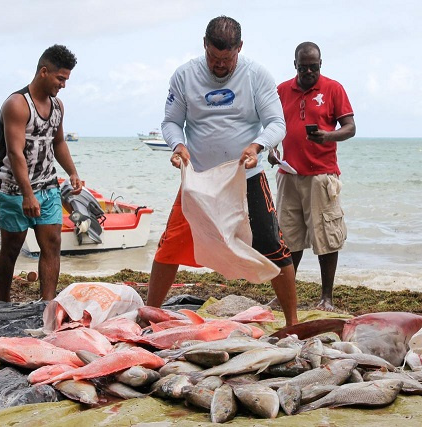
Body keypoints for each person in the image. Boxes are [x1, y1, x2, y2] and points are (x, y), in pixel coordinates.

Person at [146, 16, 298, 327]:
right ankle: (149, 316)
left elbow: (276, 124)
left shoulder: (256, 75)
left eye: (226, 59)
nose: (219, 66)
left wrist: (257, 146)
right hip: (199, 179)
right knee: (170, 245)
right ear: (204, 45)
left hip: (245, 176)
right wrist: (178, 145)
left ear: (239, 49)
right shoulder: (185, 75)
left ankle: (293, 324)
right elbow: (171, 122)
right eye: (213, 58)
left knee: (274, 246)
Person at [269, 41, 356, 311]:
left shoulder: (333, 88)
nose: (308, 72)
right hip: (288, 173)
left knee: (326, 237)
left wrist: (327, 136)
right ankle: (285, 295)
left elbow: (350, 127)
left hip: (322, 175)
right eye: (303, 67)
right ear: (295, 65)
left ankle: (326, 298)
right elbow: (272, 126)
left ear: (321, 65)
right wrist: (272, 150)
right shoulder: (282, 90)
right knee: (288, 237)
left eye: (314, 67)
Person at [0, 44, 82, 302]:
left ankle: (47, 305)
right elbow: (15, 153)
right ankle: (3, 303)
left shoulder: (58, 106)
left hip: (48, 187)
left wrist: (73, 172)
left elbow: (59, 142)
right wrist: (27, 195)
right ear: (44, 71)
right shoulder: (17, 105)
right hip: (14, 190)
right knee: (11, 248)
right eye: (60, 78)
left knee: (52, 244)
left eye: (66, 79)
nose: (64, 84)